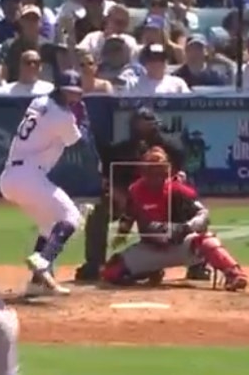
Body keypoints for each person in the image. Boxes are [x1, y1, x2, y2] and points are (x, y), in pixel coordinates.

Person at [77, 106, 205, 283]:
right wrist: (121, 196)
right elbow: (108, 181)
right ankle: (95, 264)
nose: (143, 131)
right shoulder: (120, 152)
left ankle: (197, 263)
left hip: (164, 199)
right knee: (99, 211)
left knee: (192, 210)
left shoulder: (173, 149)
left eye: (148, 126)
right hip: (130, 200)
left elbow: (182, 179)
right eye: (139, 126)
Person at [100, 146, 249, 290]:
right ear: (143, 171)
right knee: (112, 271)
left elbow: (203, 215)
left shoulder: (178, 190)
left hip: (179, 246)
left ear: (166, 171)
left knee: (207, 241)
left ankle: (234, 273)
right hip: (150, 249)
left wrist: (186, 227)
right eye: (151, 171)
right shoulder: (135, 191)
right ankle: (149, 271)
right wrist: (122, 232)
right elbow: (129, 215)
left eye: (159, 171)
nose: (155, 176)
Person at [0, 71, 87, 297]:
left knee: (49, 225)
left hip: (11, 177)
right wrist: (82, 120)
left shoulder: (39, 101)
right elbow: (78, 142)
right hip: (28, 176)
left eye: (75, 93)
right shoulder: (62, 116)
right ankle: (43, 259)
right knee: (71, 217)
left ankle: (38, 283)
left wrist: (73, 114)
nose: (72, 97)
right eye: (68, 92)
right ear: (58, 88)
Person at [125, 43, 190, 94]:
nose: (157, 63)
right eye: (152, 59)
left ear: (166, 62)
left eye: (160, 59)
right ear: (145, 62)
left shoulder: (178, 83)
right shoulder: (133, 84)